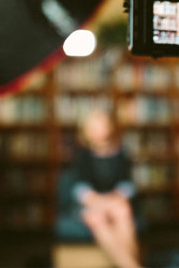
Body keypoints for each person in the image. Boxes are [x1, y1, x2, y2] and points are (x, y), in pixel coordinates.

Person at [55, 109, 141, 268]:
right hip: (91, 202)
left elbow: (127, 184)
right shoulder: (82, 155)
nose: (98, 130)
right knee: (96, 218)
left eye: (102, 125)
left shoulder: (121, 153)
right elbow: (79, 186)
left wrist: (114, 198)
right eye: (93, 127)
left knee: (122, 211)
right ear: (86, 131)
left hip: (116, 201)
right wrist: (97, 200)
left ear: (109, 127)